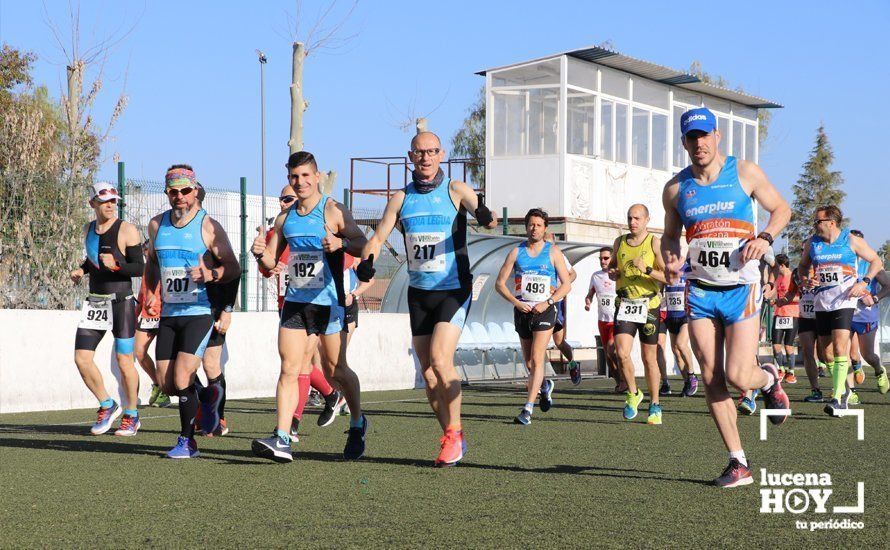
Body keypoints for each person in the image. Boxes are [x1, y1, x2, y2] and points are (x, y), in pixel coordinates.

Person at [661, 107, 792, 487]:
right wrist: (670, 255)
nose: (699, 143)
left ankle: (767, 380)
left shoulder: (745, 172)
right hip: (700, 290)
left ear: (717, 136)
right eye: (691, 137)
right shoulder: (675, 189)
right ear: (684, 143)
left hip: (741, 289)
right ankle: (738, 462)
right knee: (710, 375)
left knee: (738, 375)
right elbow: (671, 235)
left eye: (704, 135)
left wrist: (764, 238)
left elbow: (782, 209)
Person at [358, 131, 498, 466]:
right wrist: (367, 263)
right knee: (428, 373)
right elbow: (377, 237)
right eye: (420, 152)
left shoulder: (455, 189)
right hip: (419, 292)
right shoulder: (400, 199)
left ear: (441, 154)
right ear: (410, 156)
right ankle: (452, 434)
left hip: (453, 289)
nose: (426, 157)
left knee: (439, 358)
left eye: (432, 151)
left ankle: (455, 431)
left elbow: (488, 218)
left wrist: (483, 215)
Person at [251, 151, 368, 463]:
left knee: (335, 370)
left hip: (328, 305)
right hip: (296, 303)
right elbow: (271, 262)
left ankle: (357, 422)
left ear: (317, 177)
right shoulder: (285, 219)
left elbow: (362, 243)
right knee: (289, 368)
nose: (299, 182)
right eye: (294, 177)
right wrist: (258, 252)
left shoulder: (332, 211)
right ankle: (282, 437)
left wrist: (341, 244)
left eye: (305, 176)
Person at [143, 165, 241, 458]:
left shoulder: (208, 225)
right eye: (173, 192)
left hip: (199, 311)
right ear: (167, 193)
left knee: (184, 377)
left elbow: (234, 268)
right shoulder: (155, 225)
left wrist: (211, 275)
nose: (180, 197)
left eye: (185, 191)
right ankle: (208, 396)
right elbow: (152, 264)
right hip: (170, 314)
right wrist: (150, 291)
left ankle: (188, 441)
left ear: (195, 190)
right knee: (166, 382)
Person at [258, 183, 346, 441]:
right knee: (293, 366)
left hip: (323, 302)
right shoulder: (279, 229)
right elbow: (266, 266)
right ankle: (330, 395)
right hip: (288, 305)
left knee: (310, 365)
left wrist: (338, 247)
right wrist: (267, 262)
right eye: (282, 199)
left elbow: (349, 259)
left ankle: (292, 424)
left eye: (289, 199)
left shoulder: (319, 224)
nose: (284, 204)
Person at [70, 182, 144, 436]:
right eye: (105, 202)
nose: (111, 205)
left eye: (114, 201)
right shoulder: (87, 229)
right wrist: (82, 269)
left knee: (125, 362)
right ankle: (106, 403)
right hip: (95, 303)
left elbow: (139, 268)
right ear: (93, 204)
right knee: (82, 358)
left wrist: (116, 266)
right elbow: (93, 258)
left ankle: (132, 415)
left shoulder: (127, 230)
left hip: (122, 303)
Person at [797, 206, 883, 415]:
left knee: (839, 348)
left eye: (817, 221)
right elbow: (802, 267)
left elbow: (876, 260)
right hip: (822, 302)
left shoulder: (851, 240)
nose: (814, 225)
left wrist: (864, 282)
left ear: (831, 222)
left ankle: (838, 398)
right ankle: (843, 390)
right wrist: (807, 279)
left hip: (845, 302)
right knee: (825, 354)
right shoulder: (812, 243)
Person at [496, 209, 572, 425]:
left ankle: (527, 409)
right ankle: (545, 386)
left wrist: (547, 302)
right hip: (523, 311)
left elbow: (566, 285)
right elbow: (499, 284)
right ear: (526, 227)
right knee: (530, 363)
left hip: (545, 310)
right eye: (531, 224)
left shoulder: (553, 252)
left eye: (539, 225)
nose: (534, 228)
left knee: (538, 358)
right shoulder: (515, 252)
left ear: (545, 228)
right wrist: (517, 302)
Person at [609, 204, 668, 425]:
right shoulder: (620, 242)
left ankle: (655, 404)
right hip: (625, 303)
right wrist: (613, 272)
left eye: (637, 218)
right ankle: (633, 394)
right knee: (621, 352)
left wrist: (648, 270)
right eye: (629, 218)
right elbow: (614, 268)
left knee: (648, 358)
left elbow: (667, 277)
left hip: (648, 304)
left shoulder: (654, 242)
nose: (632, 222)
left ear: (646, 220)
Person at [848, 230, 890, 396]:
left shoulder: (871, 263)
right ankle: (849, 393)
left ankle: (879, 370)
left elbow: (888, 286)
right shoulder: (843, 262)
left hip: (865, 315)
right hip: (844, 313)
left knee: (868, 355)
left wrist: (874, 298)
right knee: (844, 354)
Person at [134, 240, 171, 408]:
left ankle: (167, 391)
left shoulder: (167, 267)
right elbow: (143, 293)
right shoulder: (146, 269)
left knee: (164, 356)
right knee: (139, 352)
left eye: (147, 252)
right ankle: (158, 384)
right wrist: (137, 312)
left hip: (164, 314)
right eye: (144, 253)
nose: (145, 255)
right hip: (147, 316)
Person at [545, 232, 581, 385]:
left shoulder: (557, 255)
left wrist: (561, 285)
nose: (545, 246)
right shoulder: (530, 254)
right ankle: (538, 379)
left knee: (559, 341)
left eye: (548, 243)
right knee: (538, 341)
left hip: (556, 302)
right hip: (537, 303)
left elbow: (573, 274)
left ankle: (572, 363)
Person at [585, 247, 623, 391]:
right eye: (600, 258)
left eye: (606, 258)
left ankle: (625, 380)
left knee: (611, 350)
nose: (602, 261)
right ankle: (620, 382)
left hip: (616, 320)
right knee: (608, 357)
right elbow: (590, 293)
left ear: (612, 259)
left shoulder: (619, 274)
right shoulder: (596, 276)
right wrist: (588, 301)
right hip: (602, 320)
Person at [662, 268, 698, 396]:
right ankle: (687, 382)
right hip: (671, 316)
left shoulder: (689, 268)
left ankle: (692, 375)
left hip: (685, 315)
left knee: (681, 344)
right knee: (676, 351)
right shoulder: (665, 268)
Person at [765, 254, 799, 384]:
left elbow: (799, 297)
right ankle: (781, 369)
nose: (776, 269)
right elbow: (774, 292)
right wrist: (770, 298)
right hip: (779, 315)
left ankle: (791, 373)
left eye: (777, 266)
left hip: (792, 315)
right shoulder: (778, 277)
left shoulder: (794, 277)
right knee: (776, 346)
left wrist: (782, 301)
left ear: (782, 265)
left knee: (789, 346)